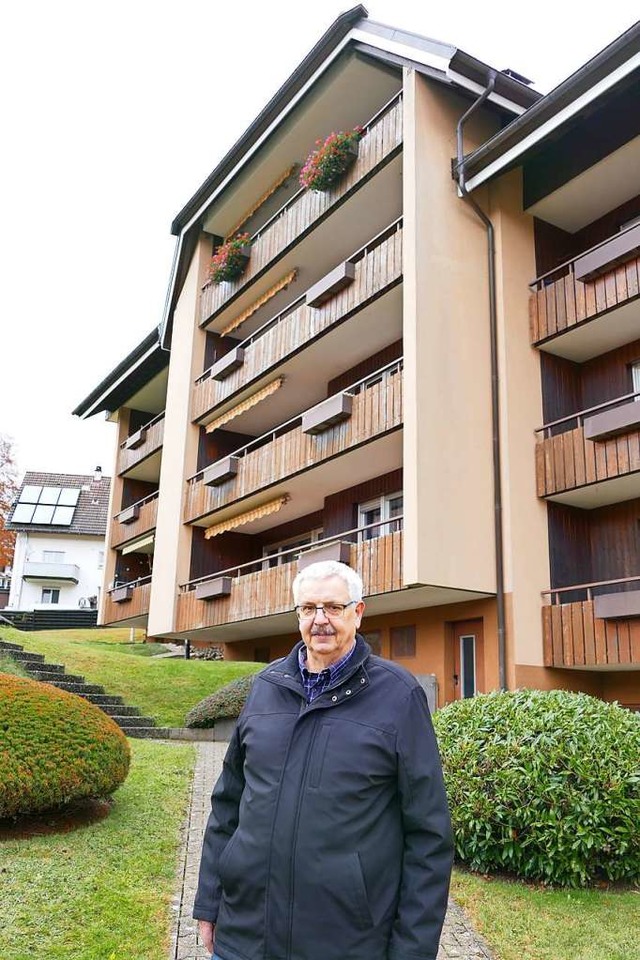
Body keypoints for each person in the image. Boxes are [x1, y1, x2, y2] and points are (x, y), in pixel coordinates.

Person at [193, 559, 453, 960]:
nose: (320, 620)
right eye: (309, 608)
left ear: (358, 613)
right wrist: (209, 902)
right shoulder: (265, 687)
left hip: (345, 942)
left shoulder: (399, 697)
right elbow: (227, 804)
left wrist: (412, 951)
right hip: (244, 935)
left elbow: (429, 836)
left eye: (333, 607)